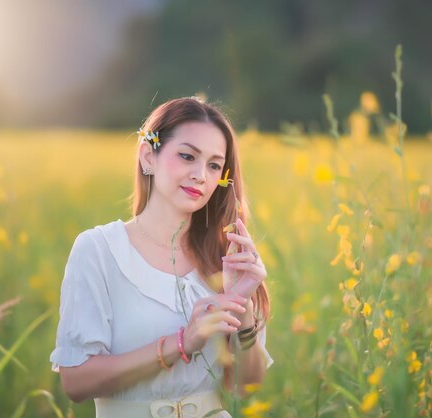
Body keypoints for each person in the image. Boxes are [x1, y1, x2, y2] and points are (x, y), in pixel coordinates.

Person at [50, 97, 273, 418]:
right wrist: (182, 342)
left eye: (213, 165)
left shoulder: (225, 258)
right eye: (187, 156)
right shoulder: (99, 249)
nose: (200, 175)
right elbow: (76, 382)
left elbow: (244, 385)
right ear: (147, 157)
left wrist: (244, 309)